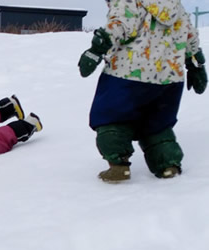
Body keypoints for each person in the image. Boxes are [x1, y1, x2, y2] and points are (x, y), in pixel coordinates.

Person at [78, 0, 207, 182]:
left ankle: (118, 166)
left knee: (112, 117)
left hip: (128, 74)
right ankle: (167, 164)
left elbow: (121, 24)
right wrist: (195, 65)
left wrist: (96, 50)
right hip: (169, 78)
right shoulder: (174, 4)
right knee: (157, 123)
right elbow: (189, 35)